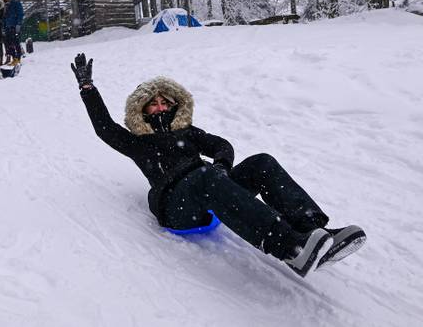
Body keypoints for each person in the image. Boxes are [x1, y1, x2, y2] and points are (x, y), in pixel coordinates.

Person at [70, 53, 366, 278]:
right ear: (143, 110)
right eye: (154, 103)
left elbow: (222, 146)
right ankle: (292, 248)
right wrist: (87, 88)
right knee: (203, 177)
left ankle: (315, 233)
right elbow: (104, 127)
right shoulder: (138, 142)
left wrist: (223, 166)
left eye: (165, 102)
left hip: (210, 188)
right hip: (177, 207)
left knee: (261, 162)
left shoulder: (187, 132)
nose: (161, 107)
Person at [1, 0, 24, 66]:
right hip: (7, 27)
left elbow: (20, 13)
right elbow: (4, 17)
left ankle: (18, 59)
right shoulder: (5, 5)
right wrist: (4, 27)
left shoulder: (15, 2)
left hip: (14, 26)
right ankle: (14, 58)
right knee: (9, 44)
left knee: (16, 43)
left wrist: (19, 24)